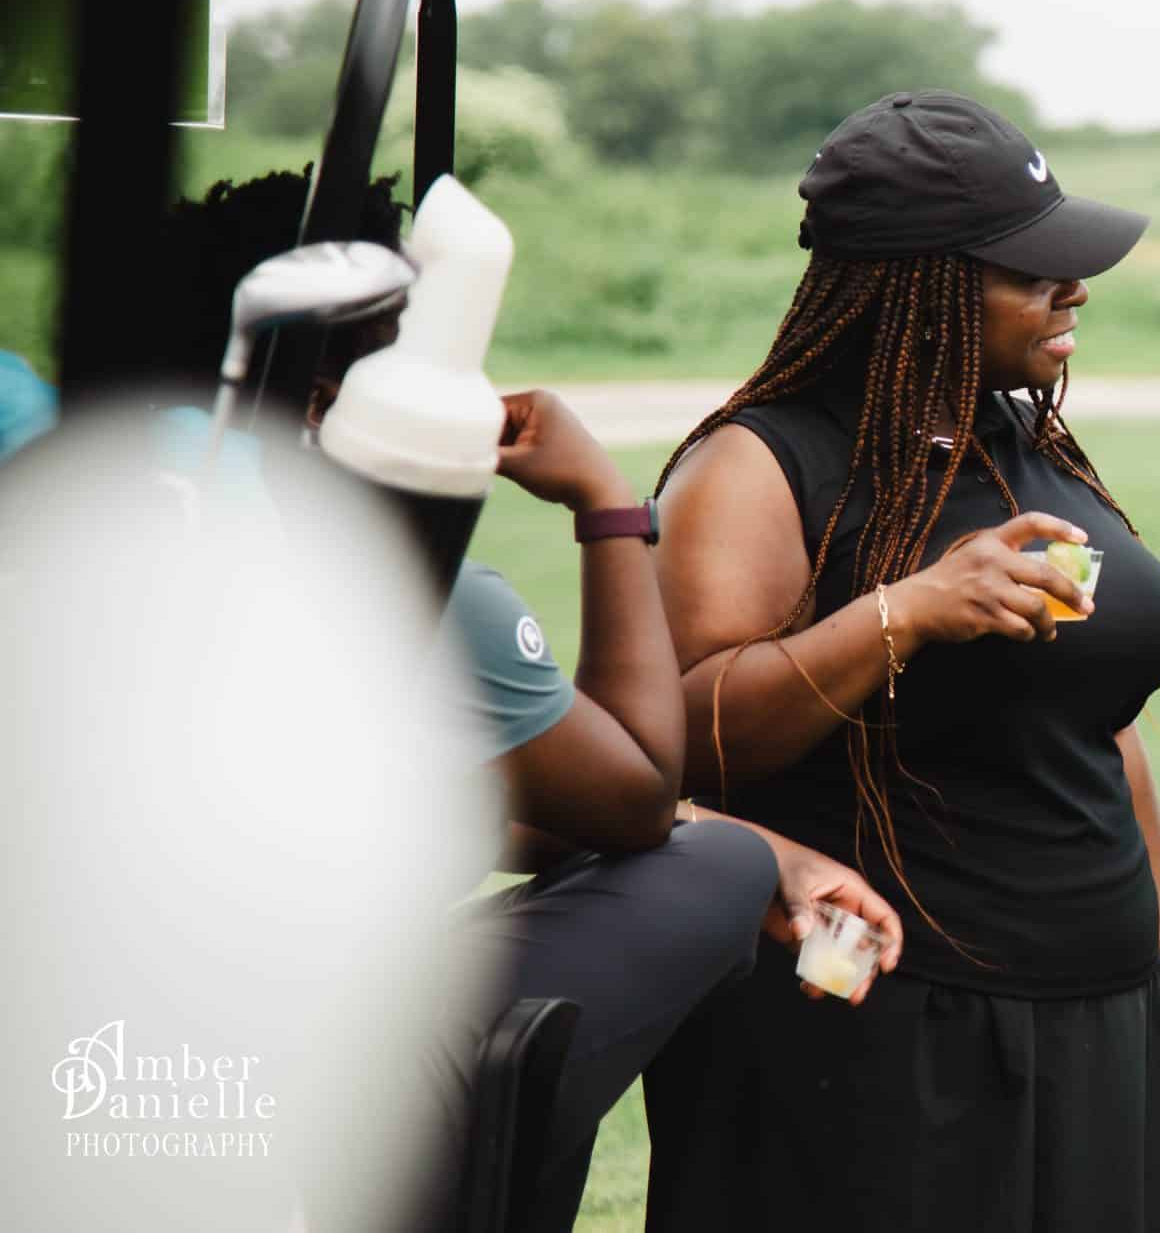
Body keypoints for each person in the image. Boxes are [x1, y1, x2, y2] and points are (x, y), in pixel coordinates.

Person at [160, 169, 903, 1232]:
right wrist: (605, 504)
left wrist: (746, 836)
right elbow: (633, 798)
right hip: (290, 1067)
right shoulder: (384, 570)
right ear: (335, 387)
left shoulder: (121, 493)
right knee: (710, 871)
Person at [640, 91, 1160, 1233]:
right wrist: (904, 612)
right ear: (920, 284)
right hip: (877, 1031)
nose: (1075, 288)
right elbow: (684, 741)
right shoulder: (756, 466)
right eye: (1033, 269)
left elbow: (1100, 726)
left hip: (1102, 1010)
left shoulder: (1017, 440)